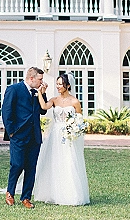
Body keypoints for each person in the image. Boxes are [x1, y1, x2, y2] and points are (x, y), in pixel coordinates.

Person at [34, 73, 90, 205]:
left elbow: (79, 120)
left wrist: (74, 129)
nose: (58, 86)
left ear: (68, 85)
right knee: (54, 161)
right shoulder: (54, 100)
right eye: (57, 84)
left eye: (60, 84)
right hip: (56, 134)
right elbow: (44, 107)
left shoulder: (75, 101)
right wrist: (40, 93)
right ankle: (53, 192)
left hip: (69, 135)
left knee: (69, 161)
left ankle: (71, 194)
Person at [1, 66, 48, 209]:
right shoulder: (14, 89)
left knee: (31, 168)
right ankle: (10, 193)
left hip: (34, 136)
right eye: (40, 79)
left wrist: (43, 94)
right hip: (18, 135)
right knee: (17, 164)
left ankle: (26, 197)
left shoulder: (37, 91)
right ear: (31, 78)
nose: (42, 82)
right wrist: (12, 133)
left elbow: (42, 111)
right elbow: (6, 112)